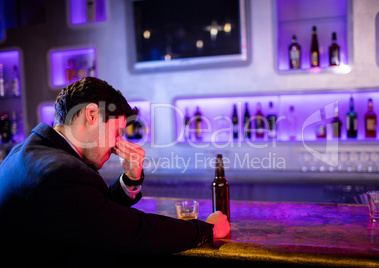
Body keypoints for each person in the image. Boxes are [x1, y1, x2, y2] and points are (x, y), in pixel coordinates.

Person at [0, 77, 230, 267]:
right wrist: (206, 230)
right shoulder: (62, 172)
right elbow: (136, 231)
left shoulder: (23, 152)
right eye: (117, 131)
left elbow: (91, 214)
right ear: (91, 115)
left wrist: (130, 179)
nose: (118, 143)